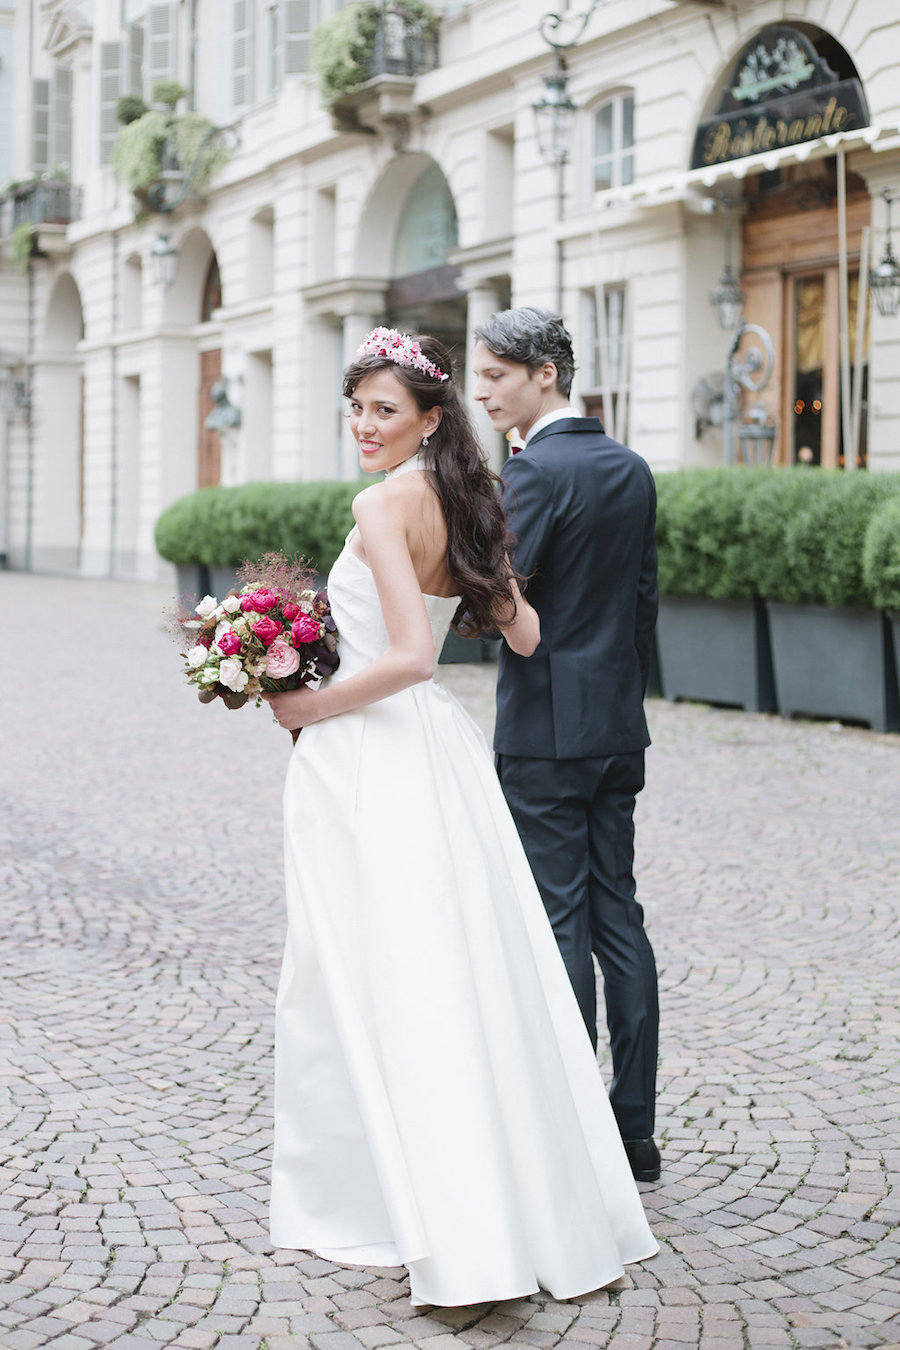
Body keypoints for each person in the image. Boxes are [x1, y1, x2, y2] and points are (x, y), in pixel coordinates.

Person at [264, 326, 657, 1308]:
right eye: (355, 407)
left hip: (376, 752)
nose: (365, 425)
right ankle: (503, 1199)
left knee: (381, 976)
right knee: (464, 969)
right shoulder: (469, 501)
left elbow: (410, 657)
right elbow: (523, 631)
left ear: (429, 418)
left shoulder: (382, 501)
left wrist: (304, 705)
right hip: (441, 758)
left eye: (384, 409)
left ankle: (428, 1211)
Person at [472, 307, 661, 1184]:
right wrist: (622, 696)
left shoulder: (534, 474)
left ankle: (578, 1135)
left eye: (498, 374)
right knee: (619, 917)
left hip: (546, 730)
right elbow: (642, 604)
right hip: (617, 726)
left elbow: (505, 595)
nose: (483, 389)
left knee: (560, 919)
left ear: (546, 373)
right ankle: (635, 1134)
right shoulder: (631, 468)